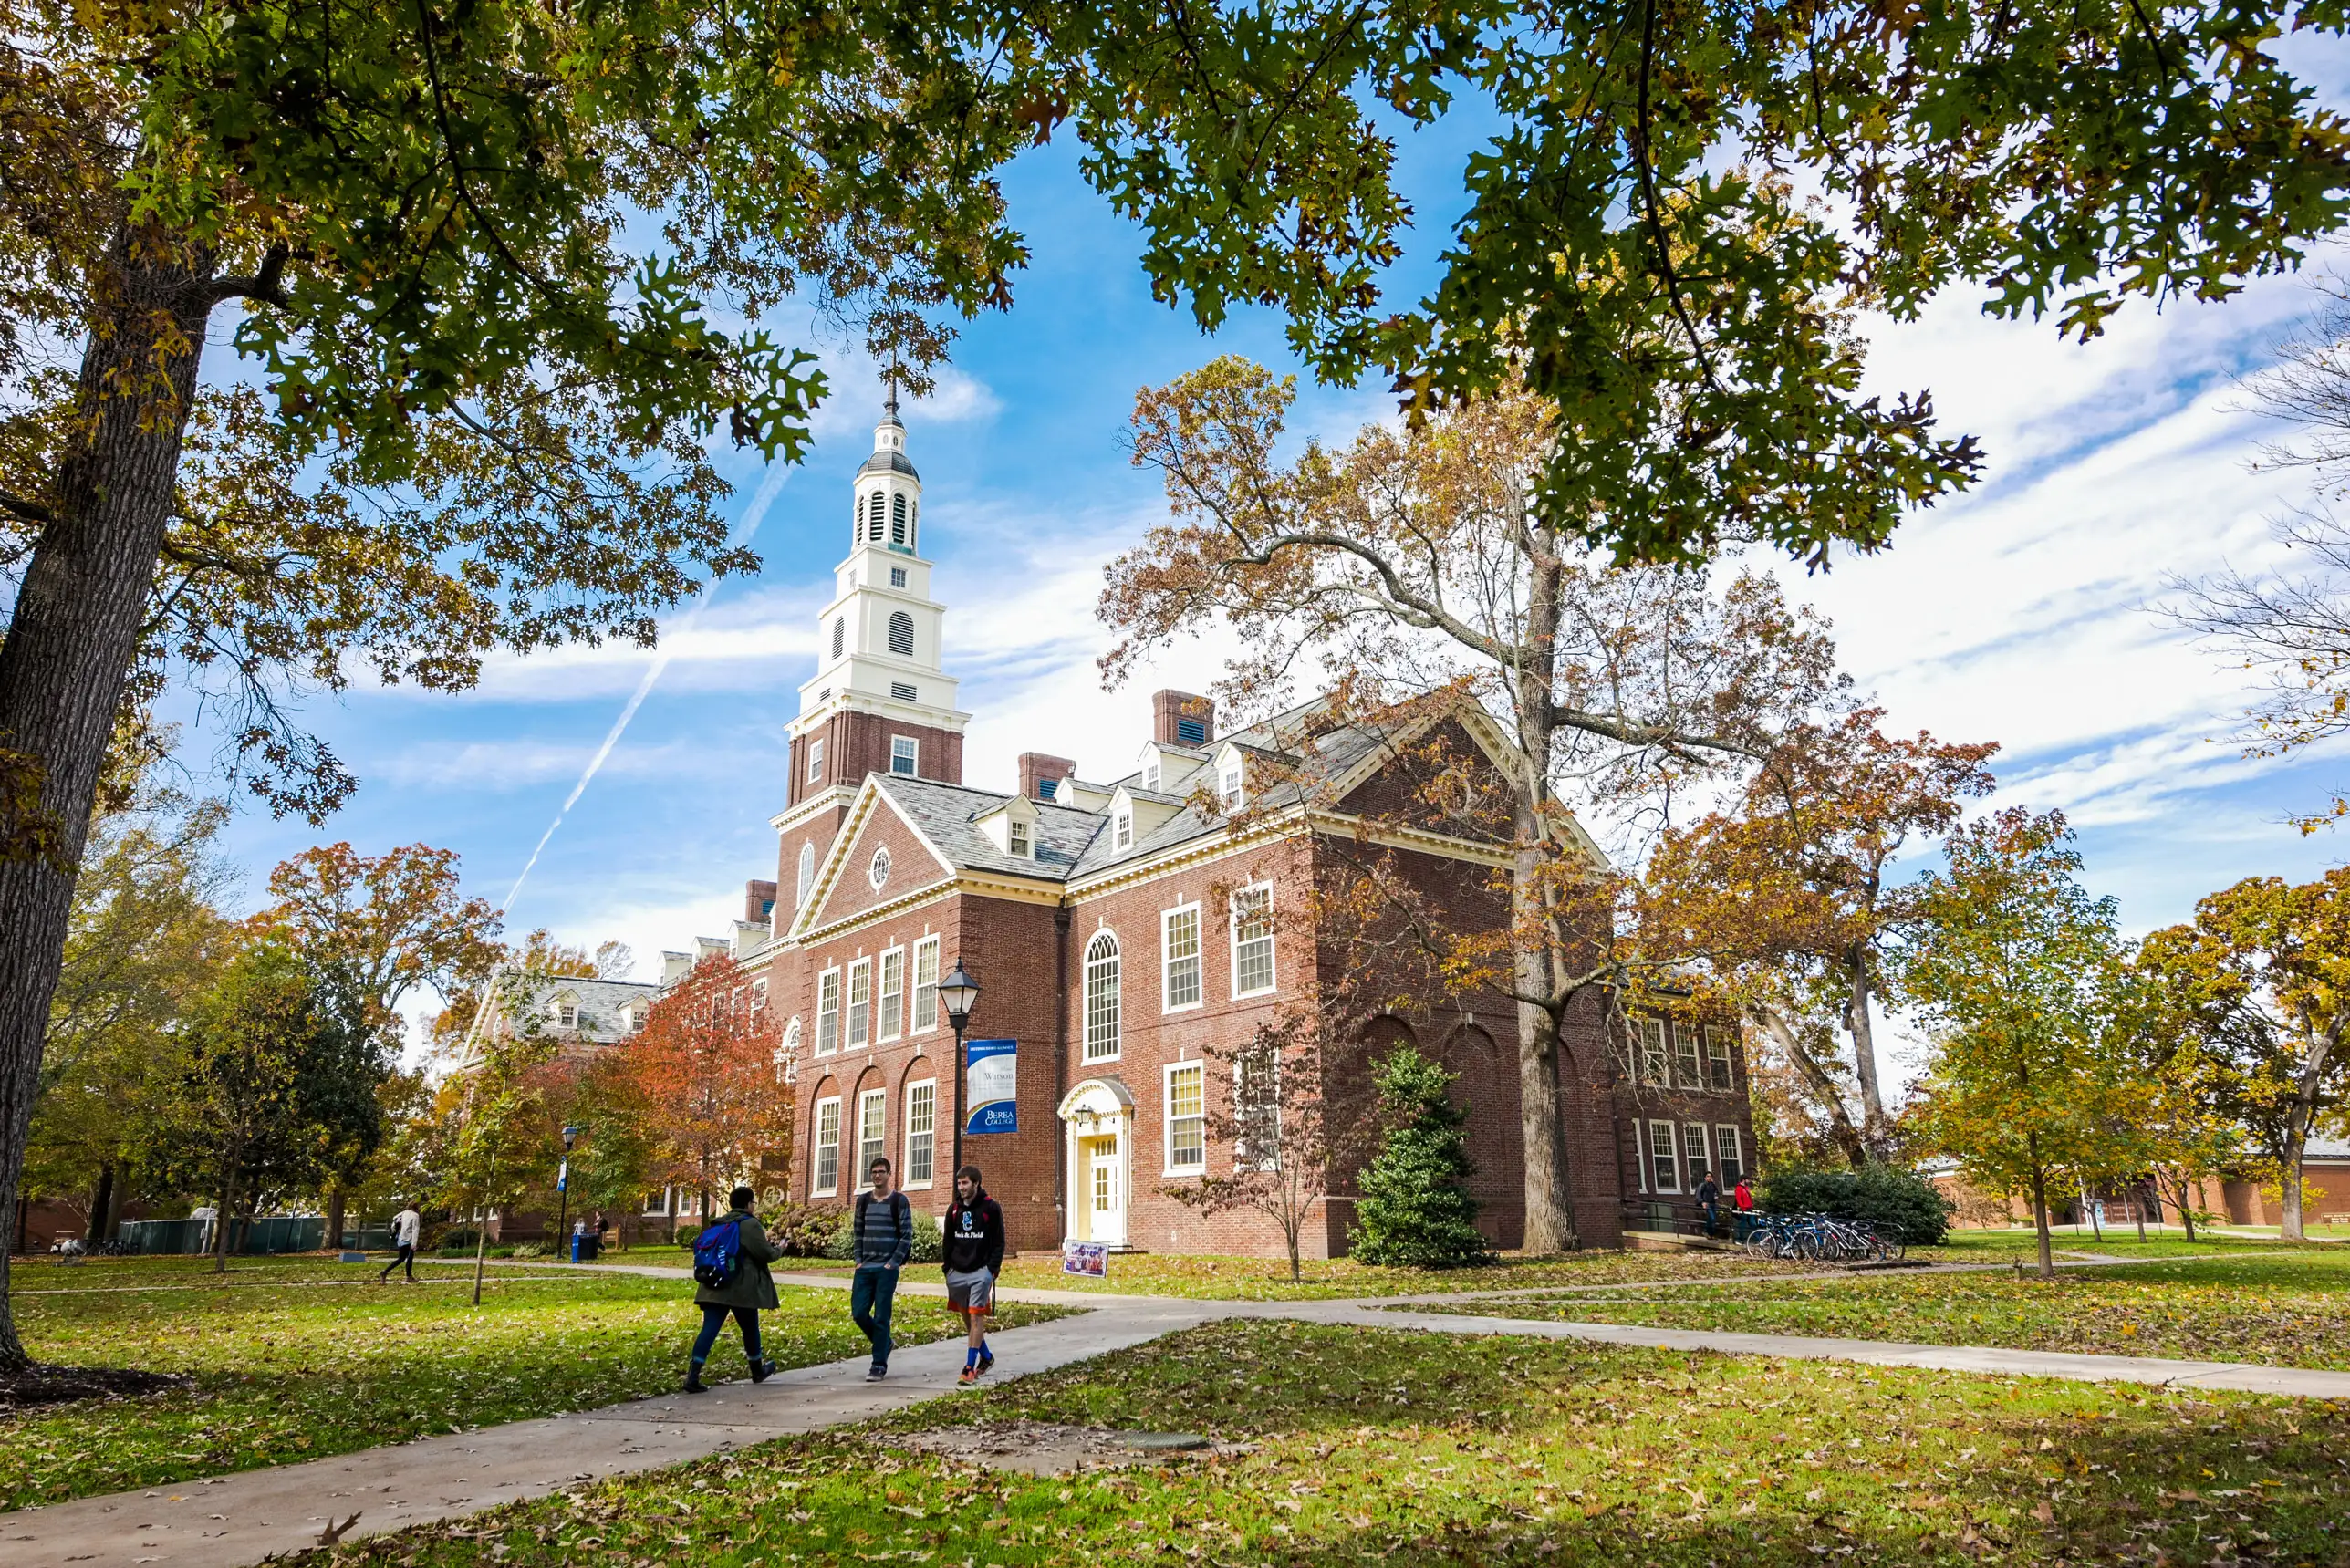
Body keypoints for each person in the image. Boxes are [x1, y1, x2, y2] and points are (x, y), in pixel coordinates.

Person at [686, 1185, 780, 1393]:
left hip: (712, 1284)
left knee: (709, 1329)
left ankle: (692, 1376)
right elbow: (766, 1254)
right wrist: (781, 1248)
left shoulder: (718, 1223)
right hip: (740, 1289)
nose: (754, 1206)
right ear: (748, 1205)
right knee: (750, 1328)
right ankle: (757, 1370)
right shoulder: (750, 1225)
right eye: (754, 1203)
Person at [851, 1156, 913, 1380]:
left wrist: (892, 1263)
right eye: (874, 1172)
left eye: (881, 1172)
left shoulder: (899, 1201)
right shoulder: (863, 1201)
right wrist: (858, 1260)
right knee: (859, 1313)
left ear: (889, 1174)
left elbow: (907, 1234)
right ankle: (884, 1342)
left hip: (886, 1269)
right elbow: (858, 1232)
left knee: (881, 1316)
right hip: (865, 1267)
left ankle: (878, 1364)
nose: (877, 1175)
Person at [942, 1165, 1005, 1386]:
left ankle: (969, 1367)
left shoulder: (991, 1208)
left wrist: (991, 1270)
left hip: (981, 1271)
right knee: (967, 1318)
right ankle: (986, 1357)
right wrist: (947, 1269)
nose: (961, 1187)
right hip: (957, 1272)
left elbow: (999, 1242)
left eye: (965, 1183)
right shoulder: (953, 1210)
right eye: (959, 1183)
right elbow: (948, 1241)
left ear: (976, 1183)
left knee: (977, 1316)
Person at [379, 1202, 421, 1283]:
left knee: (401, 1258)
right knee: (409, 1258)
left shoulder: (404, 1213)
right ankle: (408, 1277)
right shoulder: (415, 1216)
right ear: (417, 1208)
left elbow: (395, 1217)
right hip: (409, 1239)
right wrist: (414, 1244)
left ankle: (385, 1272)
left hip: (401, 1239)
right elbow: (415, 1230)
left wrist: (401, 1222)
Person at [1696, 1169, 1722, 1238]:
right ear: (1705, 1178)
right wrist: (1702, 1202)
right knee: (1712, 1218)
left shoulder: (1713, 1185)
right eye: (1708, 1176)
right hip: (1707, 1204)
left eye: (1710, 1176)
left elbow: (1717, 1192)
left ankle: (1711, 1234)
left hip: (1713, 1203)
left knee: (1712, 1219)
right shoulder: (1703, 1185)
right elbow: (1698, 1194)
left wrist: (1716, 1195)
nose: (1709, 1177)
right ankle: (1706, 1231)